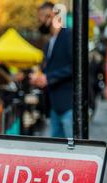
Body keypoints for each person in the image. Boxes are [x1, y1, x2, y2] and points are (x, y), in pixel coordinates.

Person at [30, 1, 73, 138]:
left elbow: (75, 67)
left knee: (73, 150)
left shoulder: (68, 36)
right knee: (58, 149)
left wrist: (48, 78)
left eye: (42, 17)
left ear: (51, 15)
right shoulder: (49, 43)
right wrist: (39, 77)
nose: (40, 21)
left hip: (68, 104)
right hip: (54, 105)